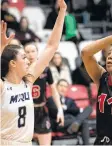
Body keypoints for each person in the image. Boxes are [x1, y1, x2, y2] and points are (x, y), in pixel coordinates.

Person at [0, 0, 67, 145]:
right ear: (12, 63)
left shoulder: (28, 82)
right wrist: (1, 48)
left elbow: (51, 46)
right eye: (23, 57)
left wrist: (62, 12)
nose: (28, 60)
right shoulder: (2, 86)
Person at [24, 43, 64, 145]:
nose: (30, 54)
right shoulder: (21, 71)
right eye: (27, 52)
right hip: (25, 111)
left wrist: (60, 109)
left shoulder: (45, 69)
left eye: (33, 51)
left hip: (41, 110)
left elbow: (54, 90)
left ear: (38, 53)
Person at [47, 79, 92, 145]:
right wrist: (66, 109)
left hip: (71, 123)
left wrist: (65, 108)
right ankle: (77, 122)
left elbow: (76, 110)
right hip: (60, 123)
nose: (63, 88)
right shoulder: (51, 99)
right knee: (83, 121)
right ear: (56, 87)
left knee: (89, 109)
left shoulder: (70, 100)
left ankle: (77, 123)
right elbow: (54, 113)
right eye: (61, 85)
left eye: (65, 86)